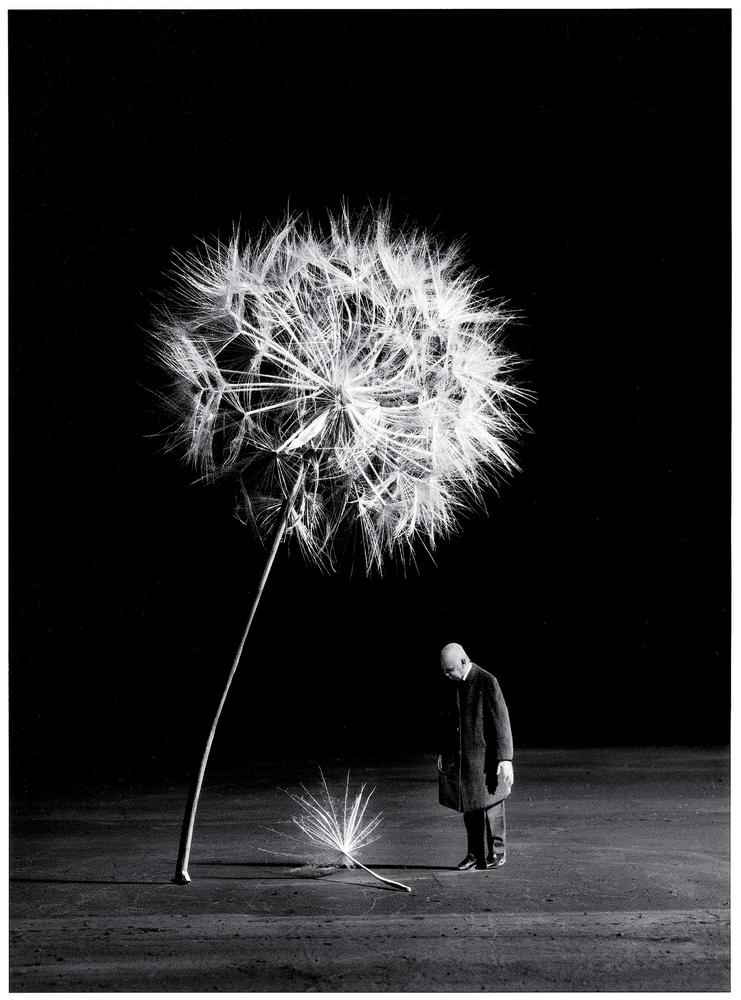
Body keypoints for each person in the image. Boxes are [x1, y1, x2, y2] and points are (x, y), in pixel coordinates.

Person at [437, 642, 514, 871]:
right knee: (469, 807)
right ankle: (474, 854)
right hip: (464, 760)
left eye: (449, 669)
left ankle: (497, 853)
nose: (446, 674)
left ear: (463, 661)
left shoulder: (487, 681)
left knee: (492, 807)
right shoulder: (454, 683)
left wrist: (505, 759)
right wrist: (445, 752)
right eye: (444, 669)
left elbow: (501, 722)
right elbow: (449, 723)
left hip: (486, 760)